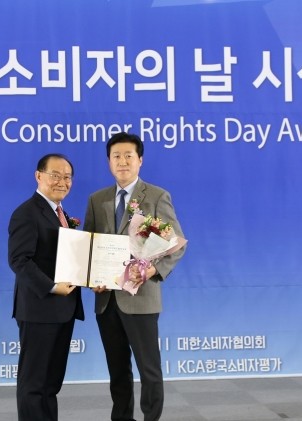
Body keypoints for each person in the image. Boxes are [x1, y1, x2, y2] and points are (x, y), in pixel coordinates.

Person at [83, 132, 186, 421]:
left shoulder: (156, 196)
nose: (122, 161)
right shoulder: (97, 199)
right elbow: (89, 245)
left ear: (140, 160)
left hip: (141, 298)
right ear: (109, 162)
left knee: (148, 369)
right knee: (117, 370)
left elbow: (176, 243)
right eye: (116, 156)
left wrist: (154, 269)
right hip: (107, 301)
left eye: (129, 155)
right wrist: (91, 278)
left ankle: (151, 417)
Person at [8, 153, 84, 421]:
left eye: (67, 177)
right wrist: (52, 287)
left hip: (63, 310)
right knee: (33, 384)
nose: (62, 181)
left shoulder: (61, 214)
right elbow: (19, 260)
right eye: (55, 175)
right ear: (38, 176)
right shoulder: (27, 213)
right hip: (39, 310)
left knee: (50, 384)